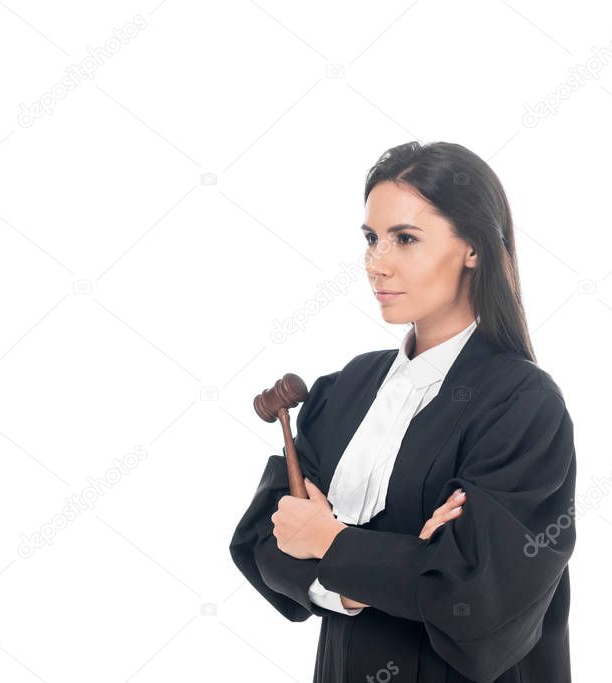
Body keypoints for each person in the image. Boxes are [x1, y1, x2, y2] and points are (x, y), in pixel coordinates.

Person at [229, 141, 576, 683]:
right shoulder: (344, 389)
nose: (377, 262)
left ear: (474, 249)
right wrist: (399, 564)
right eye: (371, 238)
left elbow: (479, 602)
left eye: (406, 239)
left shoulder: (522, 404)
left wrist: (329, 542)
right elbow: (260, 542)